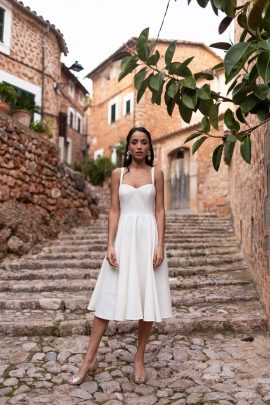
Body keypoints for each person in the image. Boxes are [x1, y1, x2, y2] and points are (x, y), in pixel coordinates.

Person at [68, 127, 173, 385]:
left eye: (144, 142)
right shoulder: (118, 174)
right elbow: (114, 211)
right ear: (128, 146)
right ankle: (89, 359)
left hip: (148, 237)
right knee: (107, 295)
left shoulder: (156, 174)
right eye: (135, 142)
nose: (139, 146)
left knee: (147, 299)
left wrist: (160, 244)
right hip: (124, 237)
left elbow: (159, 211)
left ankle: (139, 358)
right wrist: (110, 244)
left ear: (149, 147)